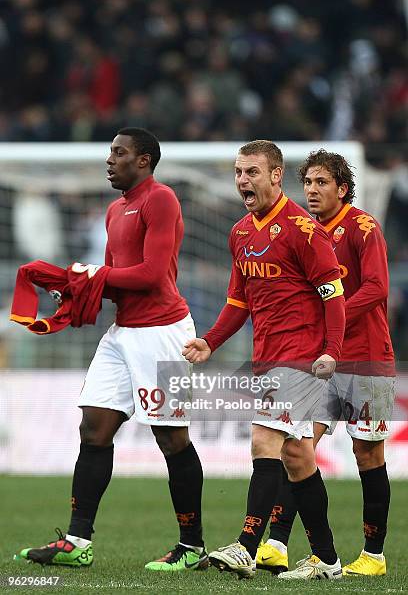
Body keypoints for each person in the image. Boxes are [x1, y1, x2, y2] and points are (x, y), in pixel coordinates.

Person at [15, 127, 208, 572]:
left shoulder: (161, 199)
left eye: (119, 153)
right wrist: (74, 291)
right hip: (123, 334)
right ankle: (78, 540)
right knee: (94, 430)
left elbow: (152, 274)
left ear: (143, 161)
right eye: (110, 152)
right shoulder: (114, 208)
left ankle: (191, 545)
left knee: (171, 438)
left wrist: (93, 276)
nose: (110, 160)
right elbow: (115, 281)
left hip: (165, 333)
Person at [183, 140, 346, 580]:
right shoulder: (239, 233)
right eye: (238, 172)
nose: (242, 180)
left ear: (276, 175)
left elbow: (334, 295)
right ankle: (328, 561)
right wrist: (211, 342)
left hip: (301, 358)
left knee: (263, 442)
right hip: (267, 357)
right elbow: (239, 301)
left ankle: (246, 546)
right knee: (297, 457)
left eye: (252, 172)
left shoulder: (304, 230)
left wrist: (332, 349)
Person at [257, 149, 395, 577]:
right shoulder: (305, 230)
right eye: (308, 183)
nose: (312, 191)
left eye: (321, 183)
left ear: (343, 188)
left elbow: (377, 287)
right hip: (320, 360)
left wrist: (332, 315)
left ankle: (373, 555)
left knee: (366, 453)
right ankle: (277, 544)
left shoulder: (363, 227)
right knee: (296, 445)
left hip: (367, 358)